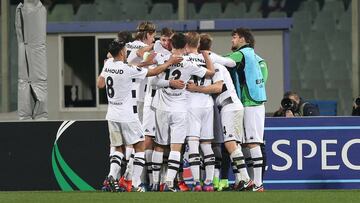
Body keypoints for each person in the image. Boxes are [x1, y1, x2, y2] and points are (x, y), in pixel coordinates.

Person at [98, 39, 182, 192]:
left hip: (111, 115)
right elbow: (154, 72)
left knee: (118, 148)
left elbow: (100, 84)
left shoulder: (108, 64)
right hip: (127, 115)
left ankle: (111, 177)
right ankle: (136, 184)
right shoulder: (127, 69)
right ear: (122, 52)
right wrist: (169, 62)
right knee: (140, 147)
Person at [150, 33, 215, 192]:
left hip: (161, 107)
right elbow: (210, 73)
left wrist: (168, 82)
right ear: (186, 46)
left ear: (171, 44)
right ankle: (169, 183)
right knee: (175, 147)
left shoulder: (161, 58)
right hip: (179, 109)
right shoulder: (188, 63)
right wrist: (206, 56)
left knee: (159, 146)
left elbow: (153, 82)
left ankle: (154, 183)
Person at [225, 28, 267, 192]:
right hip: (247, 103)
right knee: (244, 144)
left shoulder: (244, 54)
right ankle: (243, 181)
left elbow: (225, 61)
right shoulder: (255, 58)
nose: (232, 40)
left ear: (243, 39)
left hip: (252, 104)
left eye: (234, 37)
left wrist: (205, 56)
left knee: (253, 143)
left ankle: (257, 184)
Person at [184, 32, 217, 191]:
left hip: (192, 102)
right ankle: (209, 183)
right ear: (198, 44)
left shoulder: (185, 59)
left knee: (193, 144)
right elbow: (212, 72)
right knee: (207, 144)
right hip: (207, 104)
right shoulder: (206, 58)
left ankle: (197, 182)